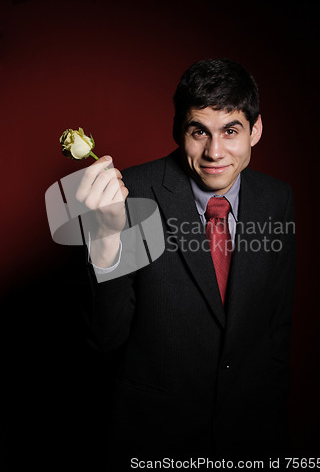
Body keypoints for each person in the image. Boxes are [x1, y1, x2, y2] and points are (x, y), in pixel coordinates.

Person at [77, 59, 296, 465]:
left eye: (231, 131)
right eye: (199, 132)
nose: (214, 152)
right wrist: (105, 236)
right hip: (154, 439)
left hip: (252, 436)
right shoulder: (132, 195)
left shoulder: (276, 199)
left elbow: (276, 326)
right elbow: (104, 337)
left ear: (256, 130)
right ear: (179, 130)